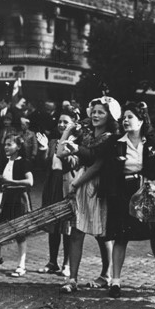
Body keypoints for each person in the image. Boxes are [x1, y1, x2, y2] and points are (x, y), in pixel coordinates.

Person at [103, 102, 155, 298]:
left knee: (153, 232)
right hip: (123, 193)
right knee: (120, 236)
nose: (125, 120)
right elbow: (108, 169)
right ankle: (115, 281)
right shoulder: (116, 143)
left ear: (141, 121)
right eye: (124, 117)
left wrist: (154, 183)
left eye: (130, 117)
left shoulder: (153, 143)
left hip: (147, 191)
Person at [56, 96, 119, 292]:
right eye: (94, 111)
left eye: (101, 112)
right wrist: (68, 130)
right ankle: (72, 279)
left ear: (109, 115)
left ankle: (106, 275)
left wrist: (75, 183)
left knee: (102, 234)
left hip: (98, 186)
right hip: (83, 184)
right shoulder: (86, 135)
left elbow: (97, 165)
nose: (96, 115)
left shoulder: (109, 138)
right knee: (77, 232)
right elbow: (60, 153)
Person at [36, 107, 78, 275]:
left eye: (65, 122)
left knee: (67, 227)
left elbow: (73, 164)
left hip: (67, 187)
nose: (61, 125)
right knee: (53, 227)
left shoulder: (76, 141)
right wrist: (43, 149)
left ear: (73, 124)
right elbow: (44, 164)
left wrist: (66, 150)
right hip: (52, 186)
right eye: (60, 122)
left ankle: (66, 264)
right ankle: (52, 262)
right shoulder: (53, 141)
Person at [0, 134, 34, 276]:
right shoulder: (3, 162)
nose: (6, 147)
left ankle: (21, 265)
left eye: (9, 144)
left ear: (18, 147)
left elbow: (30, 182)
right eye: (5, 144)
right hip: (4, 197)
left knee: (19, 232)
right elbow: (2, 181)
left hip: (18, 199)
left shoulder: (24, 162)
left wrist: (12, 182)